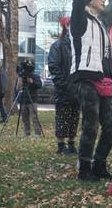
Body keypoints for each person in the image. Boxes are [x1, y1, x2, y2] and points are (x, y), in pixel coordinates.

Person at [69, 0, 112, 181]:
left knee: (110, 126)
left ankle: (100, 164)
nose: (103, 0)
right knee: (90, 125)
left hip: (104, 80)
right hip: (86, 78)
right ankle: (84, 168)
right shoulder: (79, 19)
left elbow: (107, 54)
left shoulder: (102, 24)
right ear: (89, 0)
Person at [48, 17, 80, 154]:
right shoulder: (58, 45)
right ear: (67, 26)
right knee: (62, 117)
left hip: (77, 89)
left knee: (74, 117)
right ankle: (61, 145)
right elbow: (53, 67)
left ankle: (71, 144)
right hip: (64, 89)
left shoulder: (78, 45)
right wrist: (64, 85)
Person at [16, 62, 43, 137]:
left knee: (34, 117)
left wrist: (32, 82)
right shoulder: (21, 76)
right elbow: (18, 88)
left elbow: (39, 85)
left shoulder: (34, 76)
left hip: (32, 99)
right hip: (24, 99)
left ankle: (38, 133)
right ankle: (26, 132)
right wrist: (19, 81)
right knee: (24, 118)